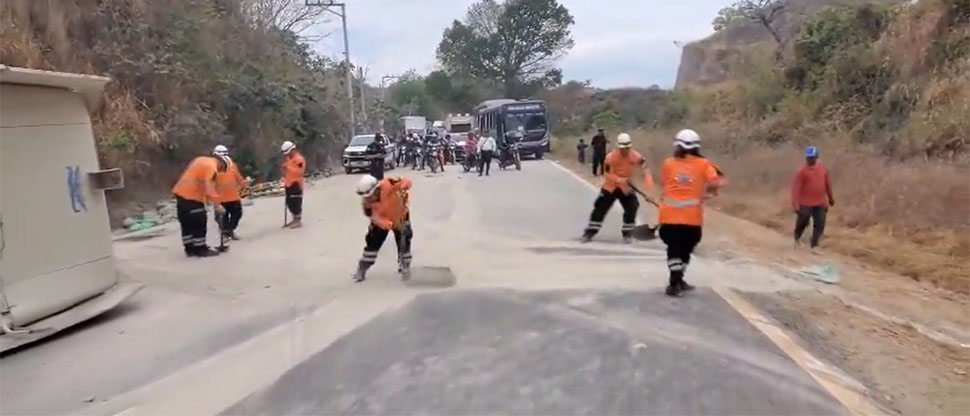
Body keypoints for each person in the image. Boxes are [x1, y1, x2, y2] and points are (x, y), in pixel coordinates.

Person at [657, 129, 725, 297]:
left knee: (673, 247)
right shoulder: (704, 164)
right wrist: (711, 190)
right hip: (691, 219)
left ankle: (676, 279)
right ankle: (677, 279)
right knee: (686, 249)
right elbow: (718, 181)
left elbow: (665, 183)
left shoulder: (668, 163)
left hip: (668, 216)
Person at [581, 133, 652, 244]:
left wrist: (648, 182)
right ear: (618, 147)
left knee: (632, 207)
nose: (625, 151)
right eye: (623, 148)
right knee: (600, 208)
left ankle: (627, 234)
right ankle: (589, 233)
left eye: (627, 148)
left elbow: (645, 168)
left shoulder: (635, 156)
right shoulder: (610, 157)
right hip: (610, 187)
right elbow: (607, 174)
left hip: (626, 188)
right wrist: (619, 180)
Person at [353, 174, 413, 283]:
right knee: (372, 244)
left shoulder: (389, 183)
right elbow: (373, 217)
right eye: (366, 197)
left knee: (404, 242)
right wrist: (384, 223)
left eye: (370, 195)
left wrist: (404, 186)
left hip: (401, 215)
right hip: (383, 221)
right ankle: (362, 268)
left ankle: (405, 266)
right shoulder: (367, 203)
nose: (368, 199)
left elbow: (406, 181)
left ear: (376, 189)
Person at [172, 153, 229, 257]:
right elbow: (209, 186)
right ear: (221, 164)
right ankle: (200, 248)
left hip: (180, 193)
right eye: (221, 170)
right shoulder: (212, 167)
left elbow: (199, 180)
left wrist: (207, 201)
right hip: (192, 196)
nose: (219, 172)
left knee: (186, 222)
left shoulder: (200, 160)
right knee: (199, 221)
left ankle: (189, 248)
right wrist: (217, 205)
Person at [791, 146, 834, 249]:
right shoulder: (802, 171)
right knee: (803, 220)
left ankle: (814, 244)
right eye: (809, 158)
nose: (811, 160)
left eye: (813, 157)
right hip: (805, 202)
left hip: (820, 202)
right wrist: (796, 205)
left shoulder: (823, 169)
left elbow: (827, 184)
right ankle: (797, 237)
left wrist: (831, 198)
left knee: (820, 222)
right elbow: (796, 189)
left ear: (817, 157)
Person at [213, 145, 246, 240]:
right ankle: (225, 232)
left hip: (233, 195)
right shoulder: (212, 167)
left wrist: (244, 185)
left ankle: (229, 230)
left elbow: (237, 176)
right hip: (220, 197)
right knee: (223, 216)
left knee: (237, 213)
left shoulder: (231, 164)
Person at [281, 140, 305, 228]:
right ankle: (294, 218)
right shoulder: (289, 159)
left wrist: (288, 167)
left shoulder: (299, 159)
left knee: (295, 202)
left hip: (296, 184)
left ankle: (298, 220)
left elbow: (300, 171)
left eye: (288, 153)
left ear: (292, 150)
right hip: (289, 184)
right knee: (289, 202)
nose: (287, 155)